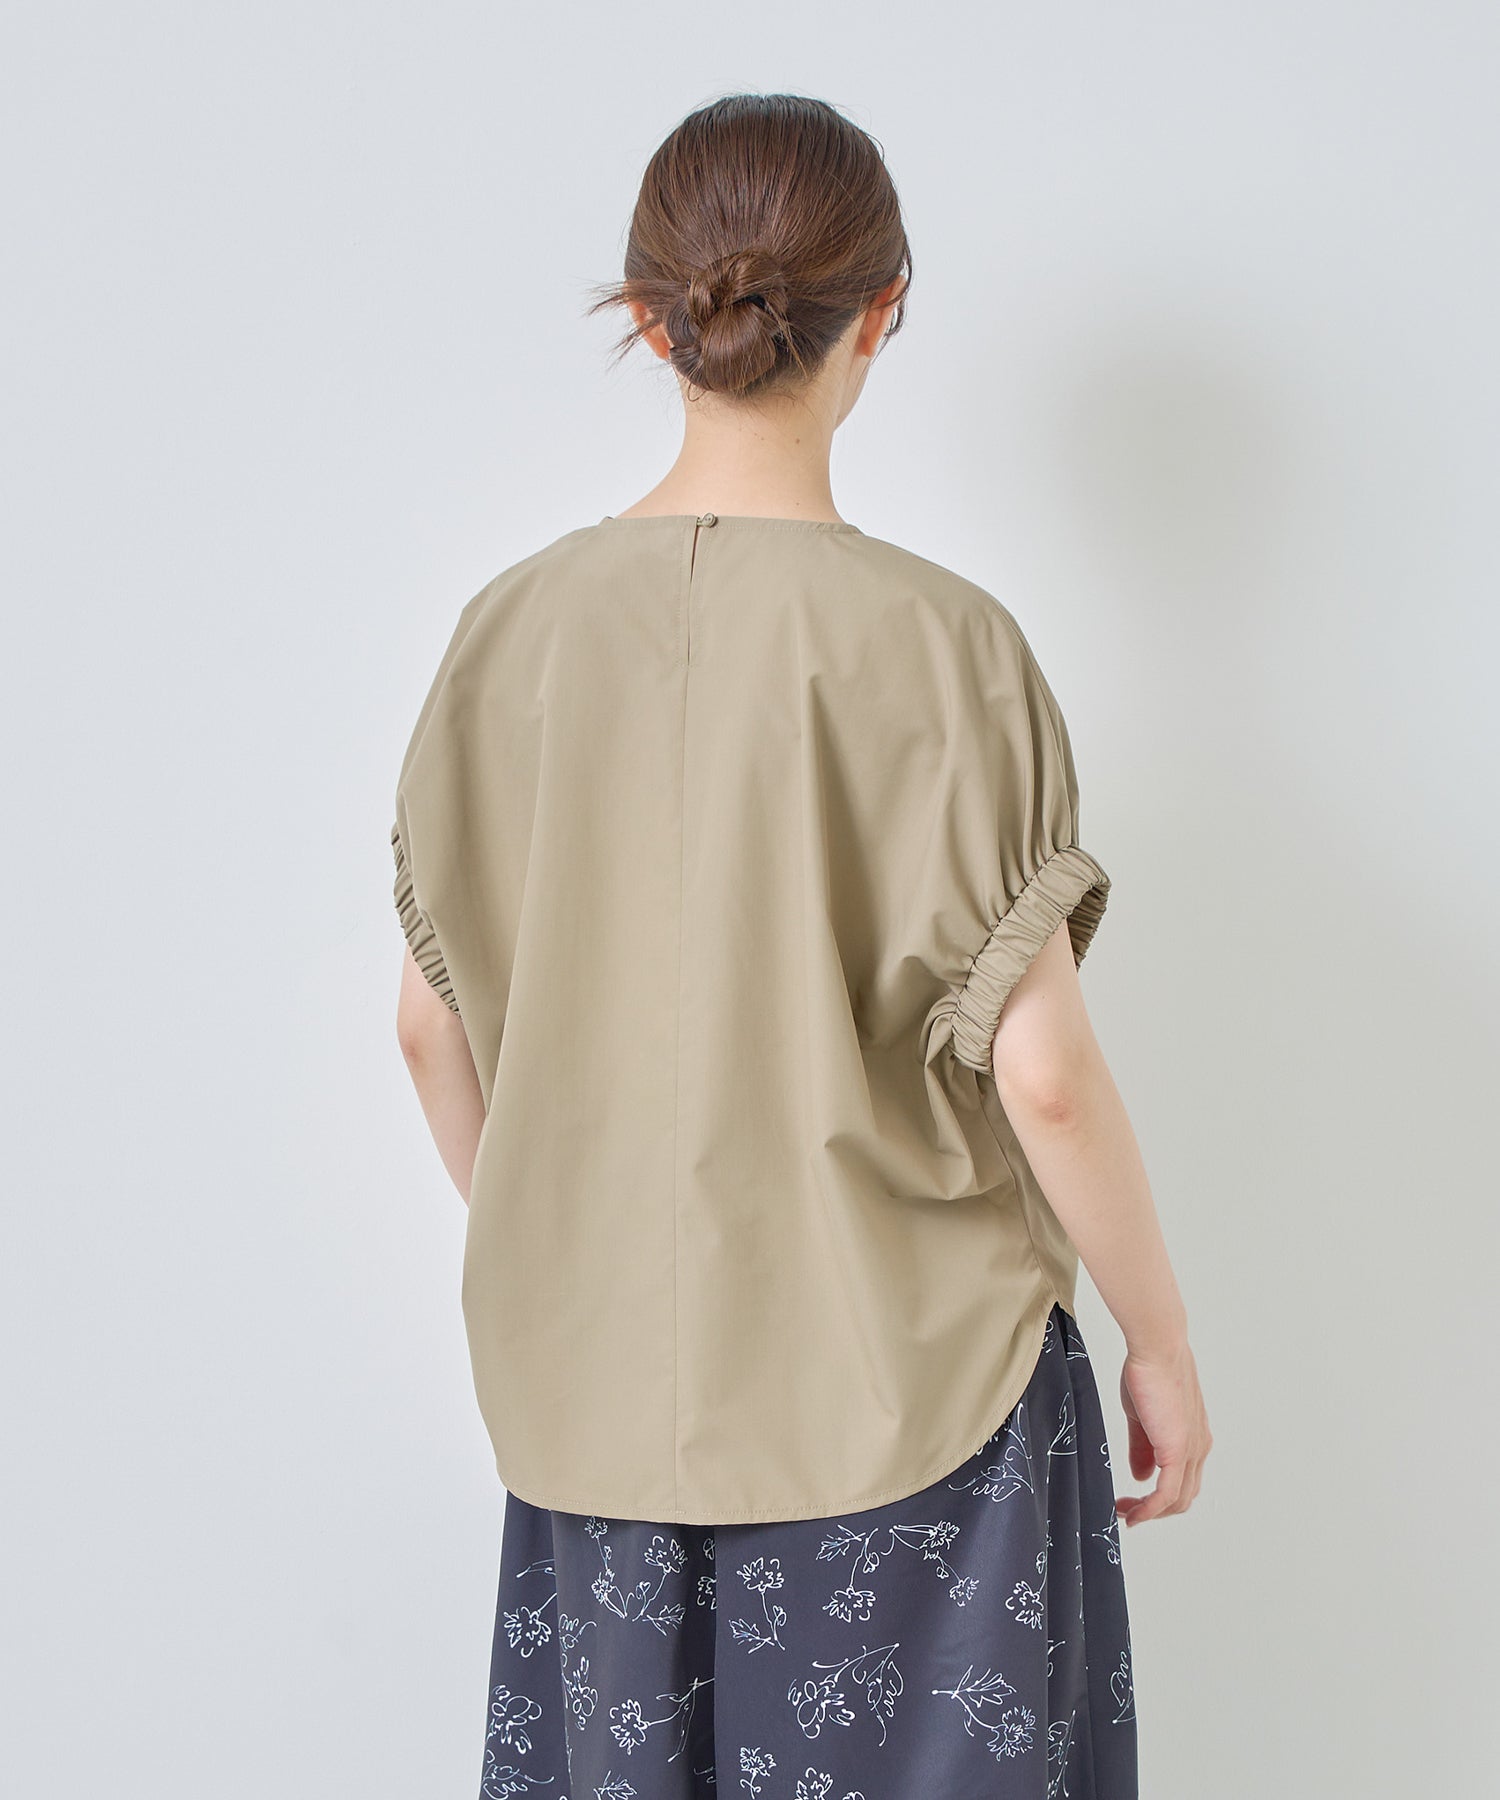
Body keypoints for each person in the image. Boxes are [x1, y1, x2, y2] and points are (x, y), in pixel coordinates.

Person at [390, 91, 1211, 1800]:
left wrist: (580, 1258)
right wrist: (1161, 1340)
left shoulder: (503, 639)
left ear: (650, 317)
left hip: (598, 1424)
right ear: (881, 313)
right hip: (915, 1402)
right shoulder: (950, 648)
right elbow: (1045, 1075)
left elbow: (427, 1029)